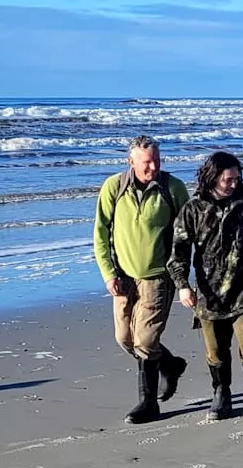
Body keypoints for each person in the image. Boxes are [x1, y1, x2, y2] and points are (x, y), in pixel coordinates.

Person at [168, 151, 243, 422]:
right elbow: (179, 251)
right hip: (209, 294)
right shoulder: (193, 209)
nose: (235, 183)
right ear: (213, 178)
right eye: (229, 179)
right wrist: (182, 286)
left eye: (237, 178)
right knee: (215, 350)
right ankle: (221, 395)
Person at [92, 134, 191, 424]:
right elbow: (100, 233)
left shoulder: (172, 188)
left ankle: (148, 403)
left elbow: (186, 235)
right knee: (124, 339)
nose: (153, 167)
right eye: (147, 162)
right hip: (123, 278)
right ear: (131, 161)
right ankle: (170, 365)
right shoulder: (114, 187)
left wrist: (182, 277)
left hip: (159, 277)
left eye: (157, 161)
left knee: (146, 340)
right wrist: (108, 273)